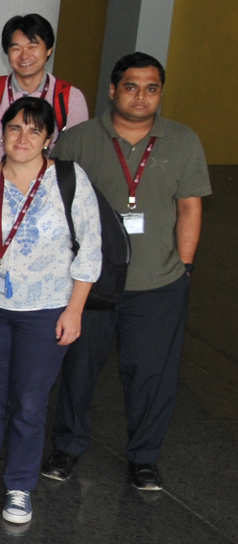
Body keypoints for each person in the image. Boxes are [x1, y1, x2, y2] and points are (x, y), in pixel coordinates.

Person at [45, 52, 211, 491]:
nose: (141, 96)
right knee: (79, 368)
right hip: (91, 284)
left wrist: (185, 267)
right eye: (132, 87)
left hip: (158, 284)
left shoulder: (182, 141)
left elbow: (189, 207)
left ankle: (145, 457)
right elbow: (56, 208)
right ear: (113, 90)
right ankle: (67, 446)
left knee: (151, 375)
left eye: (151, 88)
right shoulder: (78, 141)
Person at [0, 98, 102, 525]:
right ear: (1, 134)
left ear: (49, 139)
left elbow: (90, 249)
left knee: (30, 402)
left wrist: (75, 310)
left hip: (47, 309)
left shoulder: (69, 179)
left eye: (35, 130)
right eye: (15, 128)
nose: (23, 138)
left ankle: (19, 486)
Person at [0, 13, 91, 175]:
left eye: (32, 47)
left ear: (49, 50)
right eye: (16, 48)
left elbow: (77, 158)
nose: (24, 56)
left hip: (49, 188)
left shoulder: (70, 98)